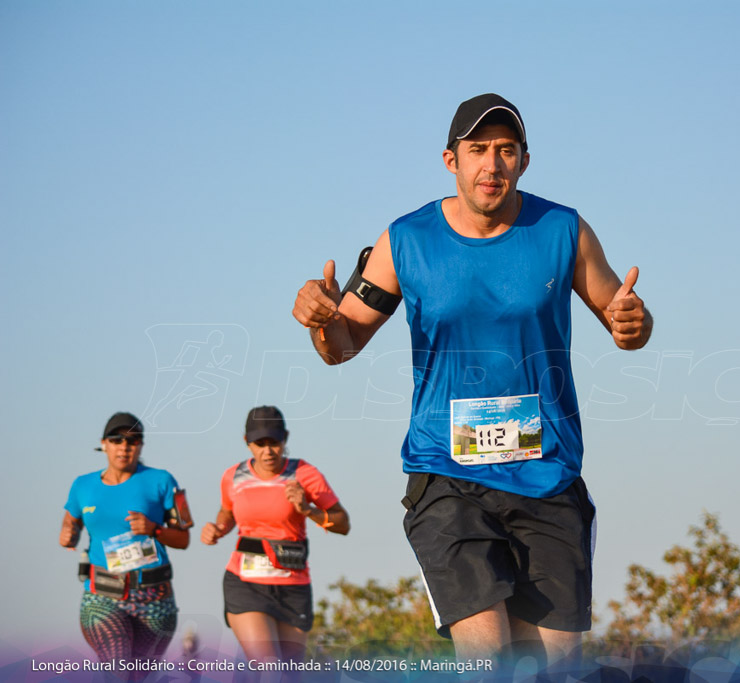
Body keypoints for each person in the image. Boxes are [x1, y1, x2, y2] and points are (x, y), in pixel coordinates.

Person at [292, 93, 653, 668]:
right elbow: (342, 345)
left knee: (554, 669)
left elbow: (625, 320)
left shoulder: (562, 230)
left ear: (524, 161)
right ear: (450, 160)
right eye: (478, 150)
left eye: (506, 151)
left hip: (548, 473)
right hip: (446, 474)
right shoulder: (405, 240)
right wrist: (320, 320)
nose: (492, 165)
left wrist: (634, 324)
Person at [201, 406, 350, 664]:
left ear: (285, 439)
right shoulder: (233, 476)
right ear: (247, 442)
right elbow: (227, 513)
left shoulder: (304, 474)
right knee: (268, 667)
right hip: (245, 583)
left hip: (293, 587)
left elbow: (342, 523)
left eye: (274, 442)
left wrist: (307, 510)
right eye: (260, 443)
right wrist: (218, 529)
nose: (268, 451)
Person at [60, 412, 193, 664]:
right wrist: (68, 535)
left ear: (140, 445)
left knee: (139, 675)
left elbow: (183, 539)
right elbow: (70, 523)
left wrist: (154, 529)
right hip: (102, 594)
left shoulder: (163, 480)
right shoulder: (82, 485)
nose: (124, 446)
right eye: (117, 439)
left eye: (133, 440)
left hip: (155, 596)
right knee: (116, 662)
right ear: (104, 444)